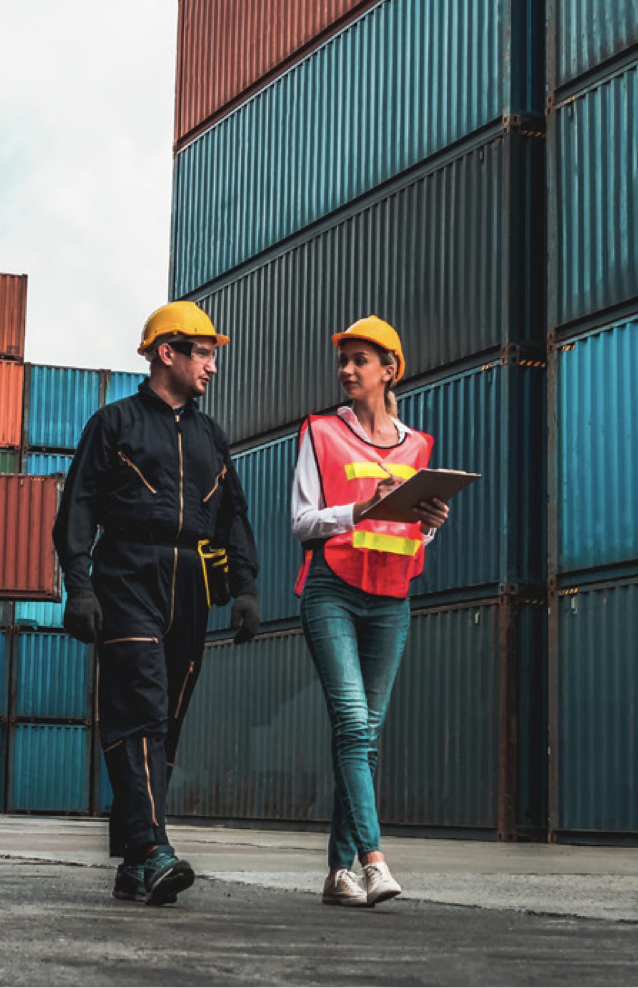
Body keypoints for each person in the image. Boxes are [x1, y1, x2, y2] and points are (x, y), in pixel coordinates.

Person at [53, 300, 260, 906]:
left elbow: (233, 515)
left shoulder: (210, 436)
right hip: (127, 574)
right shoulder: (114, 423)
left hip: (190, 583)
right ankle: (152, 849)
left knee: (165, 725)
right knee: (138, 711)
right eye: (204, 352)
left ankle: (133, 859)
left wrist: (244, 586)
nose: (213, 367)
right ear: (166, 352)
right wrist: (80, 585)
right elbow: (79, 506)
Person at [289, 315, 448, 908]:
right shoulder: (320, 432)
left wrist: (429, 526)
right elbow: (302, 521)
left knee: (362, 737)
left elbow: (410, 534)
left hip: (392, 598)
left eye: (360, 360)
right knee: (354, 724)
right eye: (343, 360)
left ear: (390, 370)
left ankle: (337, 872)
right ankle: (373, 860)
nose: (347, 370)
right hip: (331, 586)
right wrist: (358, 509)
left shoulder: (420, 446)